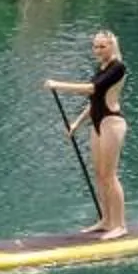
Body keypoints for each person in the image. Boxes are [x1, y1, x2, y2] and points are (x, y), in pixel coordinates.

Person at [43, 29, 128, 239]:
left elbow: (91, 89)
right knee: (99, 175)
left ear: (112, 46)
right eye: (95, 46)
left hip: (112, 122)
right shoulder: (102, 68)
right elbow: (94, 102)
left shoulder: (118, 67)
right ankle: (106, 221)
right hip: (97, 123)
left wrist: (57, 85)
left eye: (102, 46)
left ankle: (120, 225)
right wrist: (76, 124)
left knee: (110, 175)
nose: (98, 50)